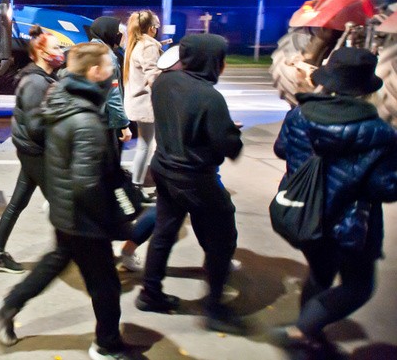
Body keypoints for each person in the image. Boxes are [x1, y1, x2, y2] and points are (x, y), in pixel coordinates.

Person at [0, 42, 138, 360]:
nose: (112, 72)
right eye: (108, 66)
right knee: (106, 286)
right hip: (84, 219)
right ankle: (106, 345)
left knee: (54, 263)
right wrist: (112, 221)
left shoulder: (63, 97)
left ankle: (7, 308)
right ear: (94, 72)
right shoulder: (86, 119)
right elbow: (86, 182)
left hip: (66, 212)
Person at [270, 47, 397, 353]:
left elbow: (281, 150)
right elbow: (385, 188)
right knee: (358, 287)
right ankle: (302, 331)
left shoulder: (298, 115)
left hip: (305, 216)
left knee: (320, 273)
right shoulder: (378, 131)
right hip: (351, 226)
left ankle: (308, 334)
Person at [136, 34, 245, 334]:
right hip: (196, 178)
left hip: (164, 168)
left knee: (164, 231)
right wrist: (229, 131)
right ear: (213, 61)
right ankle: (213, 307)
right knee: (222, 239)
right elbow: (230, 147)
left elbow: (179, 122)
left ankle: (150, 293)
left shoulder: (163, 83)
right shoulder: (209, 97)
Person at [0, 25, 63, 274]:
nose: (60, 52)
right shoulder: (35, 82)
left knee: (18, 202)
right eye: (56, 48)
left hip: (31, 151)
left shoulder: (44, 79)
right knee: (63, 205)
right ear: (40, 53)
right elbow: (35, 126)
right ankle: (76, 253)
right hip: (35, 152)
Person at [90, 16, 155, 272]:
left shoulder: (91, 50)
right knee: (111, 172)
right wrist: (123, 125)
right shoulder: (107, 55)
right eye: (117, 32)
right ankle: (119, 217)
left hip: (92, 123)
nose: (120, 36)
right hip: (107, 124)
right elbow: (113, 95)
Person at [123, 10, 163, 202]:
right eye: (157, 26)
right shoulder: (148, 46)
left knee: (145, 145)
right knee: (147, 146)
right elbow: (153, 76)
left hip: (137, 102)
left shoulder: (135, 44)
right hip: (147, 104)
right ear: (151, 28)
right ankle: (137, 186)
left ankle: (137, 185)